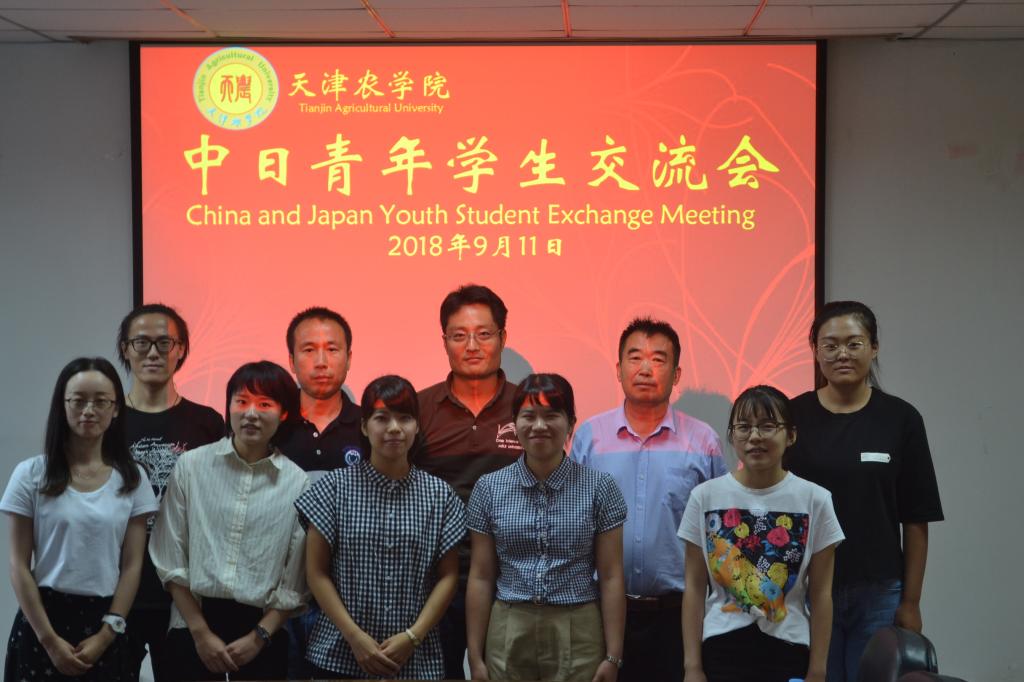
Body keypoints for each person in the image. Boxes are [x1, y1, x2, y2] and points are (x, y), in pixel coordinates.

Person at [783, 301, 944, 682]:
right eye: (830, 345)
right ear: (815, 351)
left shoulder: (901, 419)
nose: (842, 354)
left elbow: (916, 519)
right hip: (804, 589)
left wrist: (911, 601)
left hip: (879, 592)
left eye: (854, 343)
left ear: (874, 348)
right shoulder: (791, 418)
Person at [572, 316, 727, 682]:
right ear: (618, 369)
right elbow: (574, 522)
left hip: (678, 616)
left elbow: (720, 532)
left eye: (658, 359)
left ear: (676, 374)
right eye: (635, 357)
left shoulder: (702, 440)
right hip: (600, 611)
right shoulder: (590, 437)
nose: (645, 369)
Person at [294, 375, 465, 679]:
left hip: (415, 659)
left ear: (417, 426)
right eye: (382, 418)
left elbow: (448, 577)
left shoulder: (440, 496)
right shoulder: (333, 488)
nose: (394, 428)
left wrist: (412, 637)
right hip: (339, 653)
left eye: (405, 418)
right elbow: (316, 573)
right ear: (364, 426)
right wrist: (354, 637)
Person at [149, 361, 309, 681]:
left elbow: (294, 580)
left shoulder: (297, 482)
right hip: (192, 622)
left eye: (265, 404)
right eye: (242, 401)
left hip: (261, 631)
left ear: (284, 413)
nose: (251, 413)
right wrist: (200, 633)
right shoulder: (192, 466)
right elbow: (170, 556)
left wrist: (258, 638)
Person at [2, 357, 159, 681]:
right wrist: (49, 640)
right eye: (78, 400)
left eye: (101, 401)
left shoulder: (132, 478)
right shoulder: (30, 474)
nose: (89, 410)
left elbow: (132, 565)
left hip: (105, 623)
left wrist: (107, 633)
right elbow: (18, 564)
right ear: (62, 405)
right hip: (42, 621)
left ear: (116, 409)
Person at [466, 373, 627, 682]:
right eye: (529, 416)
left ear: (571, 423)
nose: (539, 425)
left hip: (578, 626)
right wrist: (474, 656)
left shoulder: (600, 487)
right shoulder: (489, 488)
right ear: (514, 424)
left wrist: (613, 656)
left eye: (551, 415)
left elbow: (611, 576)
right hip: (509, 623)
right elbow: (481, 576)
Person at [679, 385, 844, 682]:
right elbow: (693, 588)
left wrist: (818, 671)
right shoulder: (704, 497)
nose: (755, 436)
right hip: (721, 648)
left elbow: (821, 594)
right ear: (732, 436)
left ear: (791, 435)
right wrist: (692, 667)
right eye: (744, 427)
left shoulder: (815, 500)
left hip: (788, 647)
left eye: (768, 426)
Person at [415, 284, 522, 678]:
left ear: (503, 338)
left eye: (484, 334)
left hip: (511, 583)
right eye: (459, 335)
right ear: (444, 340)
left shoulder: (527, 408)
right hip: (432, 581)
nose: (472, 346)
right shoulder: (419, 408)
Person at [116, 303, 224, 681]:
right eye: (141, 342)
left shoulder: (208, 423)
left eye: (164, 343)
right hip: (118, 592)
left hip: (187, 597)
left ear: (181, 350)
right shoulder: (107, 422)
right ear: (125, 349)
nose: (153, 353)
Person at [276, 306, 363, 678]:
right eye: (309, 350)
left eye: (333, 349)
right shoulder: (271, 425)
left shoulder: (370, 427)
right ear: (291, 361)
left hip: (350, 598)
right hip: (276, 594)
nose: (322, 361)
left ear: (349, 358)